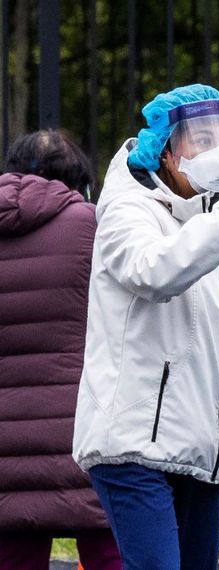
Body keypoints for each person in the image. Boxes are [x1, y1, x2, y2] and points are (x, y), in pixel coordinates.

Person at [72, 84, 219, 570]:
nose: (217, 149)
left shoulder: (217, 219)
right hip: (134, 446)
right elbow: (156, 273)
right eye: (201, 138)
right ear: (167, 150)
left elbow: (212, 334)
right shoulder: (129, 209)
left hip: (199, 450)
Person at [0, 131, 122, 570]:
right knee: (109, 547)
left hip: (7, 440)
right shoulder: (92, 225)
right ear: (79, 180)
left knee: (14, 551)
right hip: (83, 428)